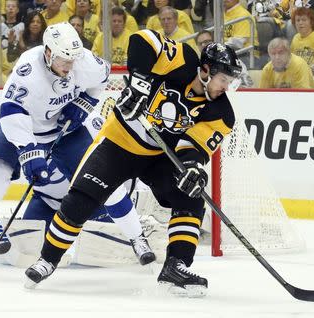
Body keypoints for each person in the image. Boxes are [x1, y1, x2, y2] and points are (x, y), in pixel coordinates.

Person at [25, 30, 242, 297]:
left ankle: (176, 266)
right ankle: (47, 259)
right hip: (119, 143)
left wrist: (193, 168)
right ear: (206, 70)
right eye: (223, 80)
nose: (226, 88)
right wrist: (139, 84)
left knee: (191, 195)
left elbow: (193, 147)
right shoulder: (182, 59)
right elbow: (142, 39)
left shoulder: (222, 113)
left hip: (160, 157)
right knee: (81, 199)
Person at [0, 22, 156, 271]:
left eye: (72, 60)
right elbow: (10, 112)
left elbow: (102, 77)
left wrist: (86, 102)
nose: (69, 67)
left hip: (64, 130)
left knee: (100, 179)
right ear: (48, 52)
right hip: (20, 127)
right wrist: (29, 153)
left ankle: (138, 239)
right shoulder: (28, 71)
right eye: (63, 60)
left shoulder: (80, 61)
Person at [290, 7, 314, 77]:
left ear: (311, 22)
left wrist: (309, 71)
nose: (300, 23)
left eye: (304, 20)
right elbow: (292, 60)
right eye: (298, 20)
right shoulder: (295, 38)